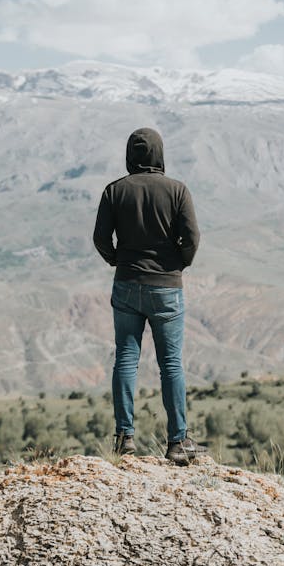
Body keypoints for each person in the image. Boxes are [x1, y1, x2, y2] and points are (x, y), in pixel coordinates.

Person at [93, 127, 207, 464]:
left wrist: (118, 260)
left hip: (126, 283)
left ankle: (125, 438)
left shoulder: (114, 191)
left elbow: (101, 238)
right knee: (170, 364)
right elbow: (192, 237)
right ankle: (177, 442)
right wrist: (177, 265)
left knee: (126, 359)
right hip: (167, 287)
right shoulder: (177, 190)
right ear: (159, 154)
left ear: (131, 154)